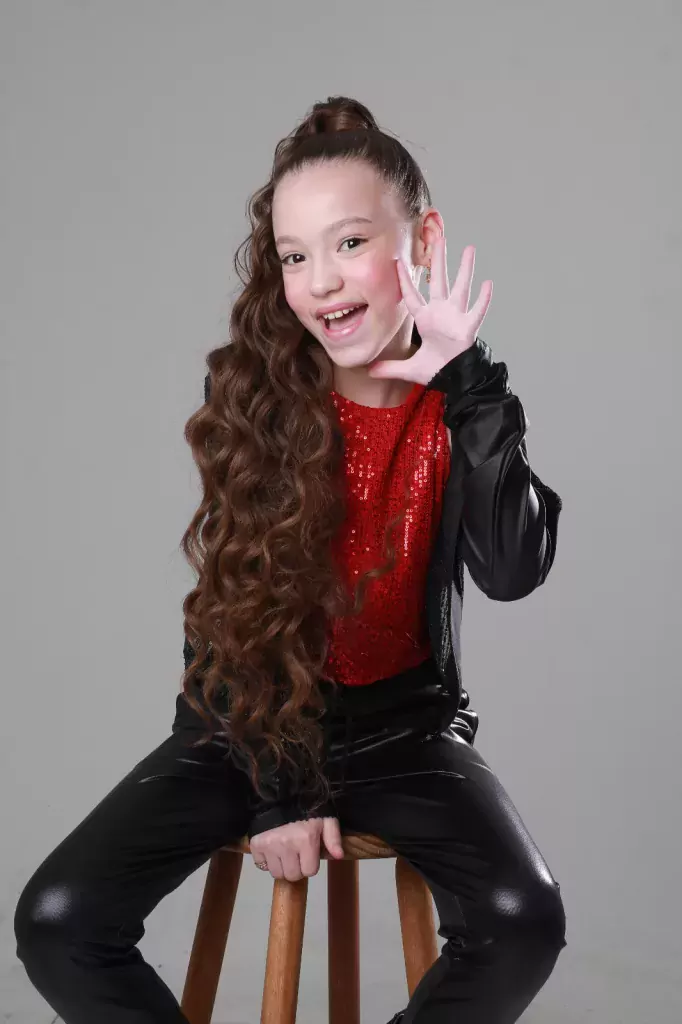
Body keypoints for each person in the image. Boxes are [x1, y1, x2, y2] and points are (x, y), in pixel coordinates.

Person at [13, 95, 566, 1024]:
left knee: (523, 921)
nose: (321, 281)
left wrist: (469, 381)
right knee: (60, 921)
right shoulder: (262, 395)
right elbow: (236, 610)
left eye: (350, 243)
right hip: (247, 724)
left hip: (402, 732)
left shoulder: (462, 405)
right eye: (295, 256)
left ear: (424, 240)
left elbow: (513, 569)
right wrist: (281, 793)